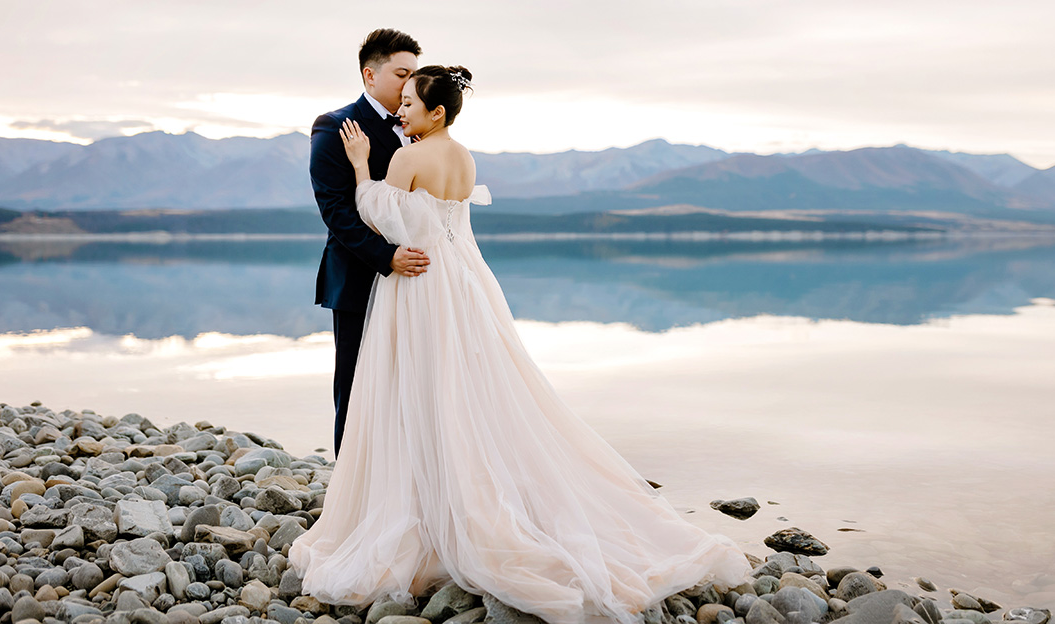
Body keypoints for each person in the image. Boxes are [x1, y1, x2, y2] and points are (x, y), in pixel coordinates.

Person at [290, 65, 750, 624]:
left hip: (422, 281)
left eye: (411, 102)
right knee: (470, 388)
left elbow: (376, 213)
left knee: (423, 386)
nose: (402, 110)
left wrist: (363, 166)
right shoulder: (463, 156)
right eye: (402, 98)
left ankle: (430, 506)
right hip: (465, 279)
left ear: (436, 112)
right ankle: (461, 487)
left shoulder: (407, 157)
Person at [309, 28, 431, 455]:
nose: (411, 83)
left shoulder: (421, 128)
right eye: (402, 73)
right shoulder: (335, 126)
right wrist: (387, 256)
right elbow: (336, 210)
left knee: (414, 385)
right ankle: (350, 489)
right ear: (370, 75)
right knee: (357, 385)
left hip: (417, 279)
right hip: (361, 277)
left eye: (416, 74)